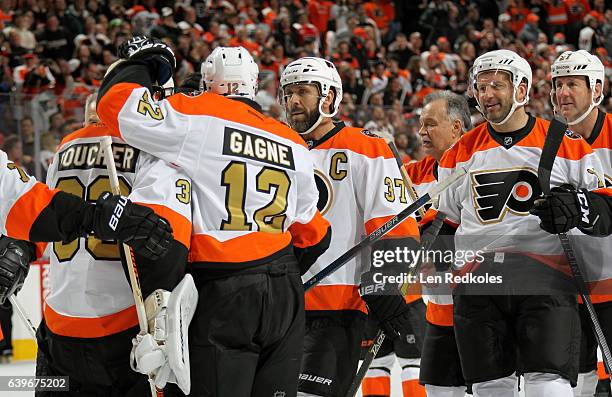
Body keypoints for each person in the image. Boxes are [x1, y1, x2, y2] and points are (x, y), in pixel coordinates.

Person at [96, 40, 332, 396]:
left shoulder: (196, 113)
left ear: (209, 83)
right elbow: (314, 233)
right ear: (253, 84)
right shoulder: (291, 140)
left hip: (224, 290)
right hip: (285, 295)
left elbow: (116, 105)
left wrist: (142, 63)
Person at [435, 49, 611, 397]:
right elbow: (449, 223)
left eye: (496, 85)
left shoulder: (566, 142)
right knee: (490, 389)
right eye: (480, 86)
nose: (486, 95)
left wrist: (578, 207)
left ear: (521, 90)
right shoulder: (459, 152)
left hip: (547, 278)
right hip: (479, 283)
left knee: (549, 384)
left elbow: (603, 207)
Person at [278, 56, 421, 397]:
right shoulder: (275, 147)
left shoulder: (366, 148)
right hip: (277, 305)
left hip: (335, 308)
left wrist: (383, 285)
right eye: (287, 93)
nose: (292, 101)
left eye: (303, 92)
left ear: (328, 97)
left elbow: (395, 227)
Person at [34, 92, 193, 396]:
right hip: (123, 326)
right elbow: (166, 240)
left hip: (59, 324)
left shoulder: (64, 148)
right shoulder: (152, 147)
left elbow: (45, 216)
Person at [0, 146, 173, 308]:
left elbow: (22, 199)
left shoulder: (65, 148)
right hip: (114, 311)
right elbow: (24, 200)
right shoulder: (152, 151)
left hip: (67, 313)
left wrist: (24, 246)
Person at [549, 50, 612, 397]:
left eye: (573, 84)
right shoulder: (548, 141)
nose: (563, 94)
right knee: (574, 379)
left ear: (597, 89)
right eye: (558, 85)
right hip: (566, 285)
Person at [403, 91, 472, 397]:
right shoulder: (411, 176)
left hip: (485, 313)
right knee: (438, 390)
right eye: (421, 124)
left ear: (457, 127)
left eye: (430, 124)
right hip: (439, 315)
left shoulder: (483, 168)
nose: (421, 132)